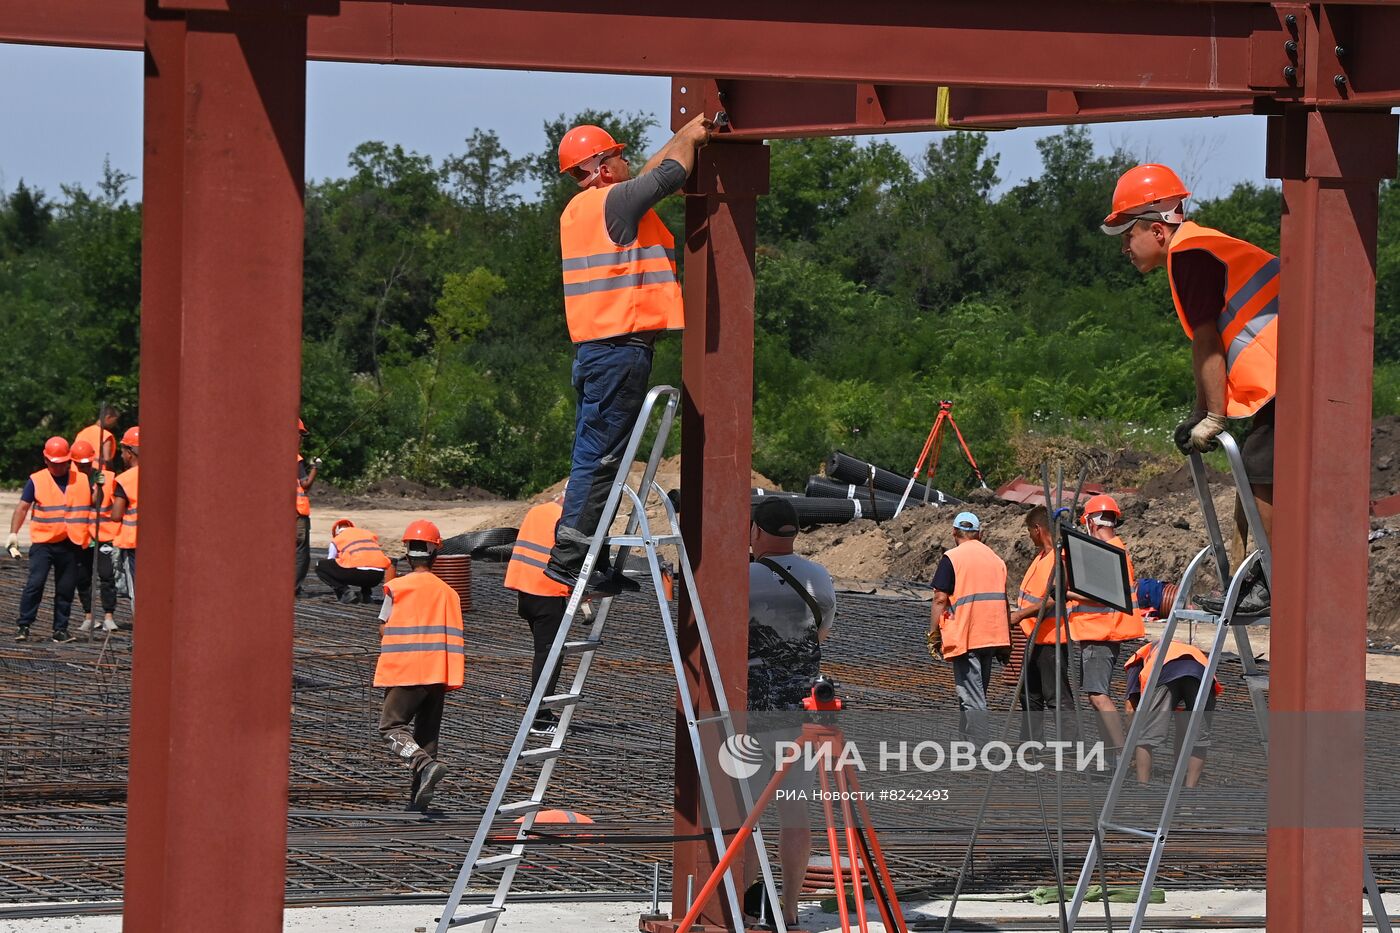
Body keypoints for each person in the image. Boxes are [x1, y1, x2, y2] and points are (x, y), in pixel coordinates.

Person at [542, 113, 718, 595]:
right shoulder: (613, 204)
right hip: (618, 351)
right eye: (616, 154)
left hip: (603, 350)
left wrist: (682, 137)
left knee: (596, 455)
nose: (624, 160)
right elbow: (669, 174)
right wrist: (693, 135)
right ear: (600, 166)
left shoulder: (590, 209)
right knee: (598, 460)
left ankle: (579, 555)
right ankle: (572, 557)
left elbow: (647, 176)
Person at [1103, 163, 1275, 614]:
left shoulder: (1190, 253)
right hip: (1289, 370)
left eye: (1128, 235)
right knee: (1255, 469)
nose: (1124, 247)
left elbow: (1207, 339)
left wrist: (1215, 416)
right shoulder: (1193, 251)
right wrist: (1202, 411)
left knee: (1259, 465)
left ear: (1158, 231)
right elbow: (1207, 342)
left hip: (1295, 369)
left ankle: (1268, 581)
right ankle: (1251, 579)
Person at [743, 496, 836, 930]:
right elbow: (821, 632)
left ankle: (741, 907)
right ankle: (791, 907)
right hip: (805, 712)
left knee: (744, 812)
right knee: (795, 812)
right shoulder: (819, 576)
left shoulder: (741, 577)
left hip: (753, 710)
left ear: (756, 531)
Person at [375, 519, 464, 812]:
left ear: (407, 553)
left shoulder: (396, 588)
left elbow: (384, 628)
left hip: (405, 670)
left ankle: (423, 765)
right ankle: (418, 801)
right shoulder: (448, 593)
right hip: (437, 673)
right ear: (435, 553)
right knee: (427, 736)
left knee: (391, 727)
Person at [1067, 494, 1145, 759]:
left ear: (1091, 521)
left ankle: (1122, 754)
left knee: (1099, 695)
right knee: (1095, 695)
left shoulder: (1110, 552)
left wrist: (1068, 594)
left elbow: (1101, 594)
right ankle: (1114, 753)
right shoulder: (1115, 549)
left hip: (1101, 631)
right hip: (1098, 631)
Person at [929, 511, 1011, 748]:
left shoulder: (952, 558)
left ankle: (982, 752)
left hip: (967, 636)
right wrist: (1007, 643)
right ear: (980, 534)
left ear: (954, 532)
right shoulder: (996, 560)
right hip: (993, 636)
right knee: (975, 694)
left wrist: (933, 633)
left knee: (973, 699)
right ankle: (967, 746)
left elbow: (940, 599)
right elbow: (1004, 601)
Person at [504, 494, 575, 737]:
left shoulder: (538, 511)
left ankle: (540, 711)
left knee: (544, 655)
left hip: (526, 593)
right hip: (547, 594)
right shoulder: (566, 520)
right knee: (548, 658)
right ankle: (540, 718)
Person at [1008, 505, 1076, 744]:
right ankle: (1031, 744)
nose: (1029, 536)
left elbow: (1053, 598)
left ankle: (1070, 748)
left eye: (1029, 530)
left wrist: (1019, 615)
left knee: (1057, 697)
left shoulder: (1059, 560)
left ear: (1038, 529)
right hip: (1034, 638)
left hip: (1050, 641)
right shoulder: (1042, 557)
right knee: (1030, 696)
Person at [8, 437, 80, 643]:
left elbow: (92, 504)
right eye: (53, 463)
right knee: (35, 583)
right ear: (46, 460)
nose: (57, 467)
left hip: (70, 542)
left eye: (61, 463)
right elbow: (22, 507)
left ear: (68, 460)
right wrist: (13, 534)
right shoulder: (37, 480)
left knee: (66, 588)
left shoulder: (80, 479)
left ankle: (60, 629)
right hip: (44, 543)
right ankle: (24, 625)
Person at [1123, 638, 1221, 787]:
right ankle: (1187, 798)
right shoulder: (1186, 650)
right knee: (1198, 739)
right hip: (1201, 676)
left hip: (1164, 672)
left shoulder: (1137, 660)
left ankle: (1142, 796)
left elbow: (1130, 710)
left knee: (1146, 738)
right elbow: (1182, 723)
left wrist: (1133, 747)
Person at [65, 439, 120, 637]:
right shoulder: (70, 481)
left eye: (87, 465)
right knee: (83, 578)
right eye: (80, 465)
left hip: (103, 535)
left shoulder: (105, 477)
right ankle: (89, 616)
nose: (84, 468)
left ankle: (108, 616)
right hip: (82, 536)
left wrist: (100, 487)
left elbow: (100, 502)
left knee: (106, 576)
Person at [317, 519, 396, 604]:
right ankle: (366, 595)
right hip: (377, 577)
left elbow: (331, 561)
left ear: (337, 532)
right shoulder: (367, 535)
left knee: (320, 566)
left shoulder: (338, 539)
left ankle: (346, 592)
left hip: (357, 574)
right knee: (365, 562)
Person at [108, 426, 140, 606]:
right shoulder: (161, 475)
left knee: (136, 590)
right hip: (158, 544)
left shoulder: (125, 480)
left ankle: (142, 632)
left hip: (134, 543)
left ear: (130, 453)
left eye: (122, 450)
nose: (121, 455)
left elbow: (116, 515)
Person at [295, 419, 321, 596]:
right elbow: (305, 484)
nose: (301, 439)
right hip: (297, 513)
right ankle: (294, 588)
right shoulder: (295, 458)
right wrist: (315, 468)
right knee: (300, 554)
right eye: (300, 435)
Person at [74, 404, 121, 472]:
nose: (115, 424)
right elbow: (107, 459)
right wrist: (112, 474)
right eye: (114, 421)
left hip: (78, 474)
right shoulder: (106, 435)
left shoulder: (81, 433)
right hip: (97, 476)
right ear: (108, 417)